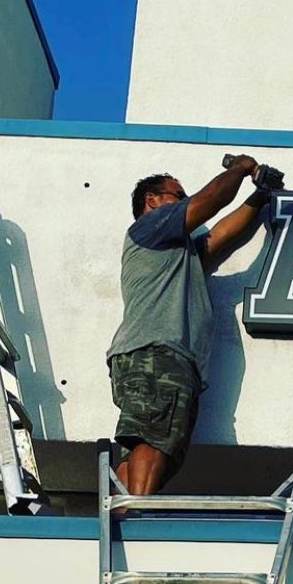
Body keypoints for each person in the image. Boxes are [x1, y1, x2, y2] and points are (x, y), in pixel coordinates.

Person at [107, 155, 268, 495]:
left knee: (146, 441)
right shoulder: (151, 227)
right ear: (152, 201)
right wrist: (239, 169)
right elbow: (211, 202)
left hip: (159, 357)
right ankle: (136, 516)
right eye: (176, 195)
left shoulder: (179, 255)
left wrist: (261, 195)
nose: (183, 201)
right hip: (157, 351)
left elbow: (223, 234)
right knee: (154, 438)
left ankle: (124, 511)